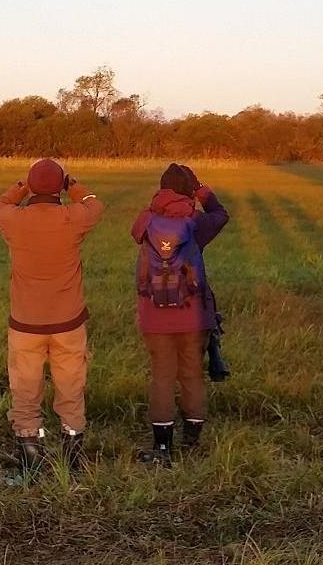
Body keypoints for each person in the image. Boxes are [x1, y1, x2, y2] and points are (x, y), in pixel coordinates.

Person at [0, 158, 105, 471]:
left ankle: (31, 456)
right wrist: (73, 185)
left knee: (25, 389)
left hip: (26, 324)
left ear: (31, 186)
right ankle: (72, 454)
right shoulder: (73, 216)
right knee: (71, 385)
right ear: (60, 188)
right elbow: (95, 204)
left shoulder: (14, 219)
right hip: (69, 323)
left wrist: (23, 186)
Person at [130, 163, 229, 463]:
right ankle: (192, 440)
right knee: (191, 375)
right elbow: (221, 215)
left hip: (154, 316)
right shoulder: (196, 223)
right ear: (189, 190)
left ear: (161, 188)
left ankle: (162, 447)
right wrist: (202, 190)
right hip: (193, 316)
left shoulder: (145, 222)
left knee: (162, 376)